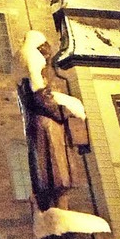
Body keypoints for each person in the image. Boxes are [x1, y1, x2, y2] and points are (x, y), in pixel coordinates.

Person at [16, 30, 89, 211]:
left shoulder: (23, 69)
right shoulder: (33, 64)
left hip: (38, 126)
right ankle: (59, 214)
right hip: (47, 127)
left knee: (47, 174)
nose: (48, 58)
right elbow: (41, 96)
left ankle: (55, 214)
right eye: (46, 53)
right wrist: (64, 111)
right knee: (56, 174)